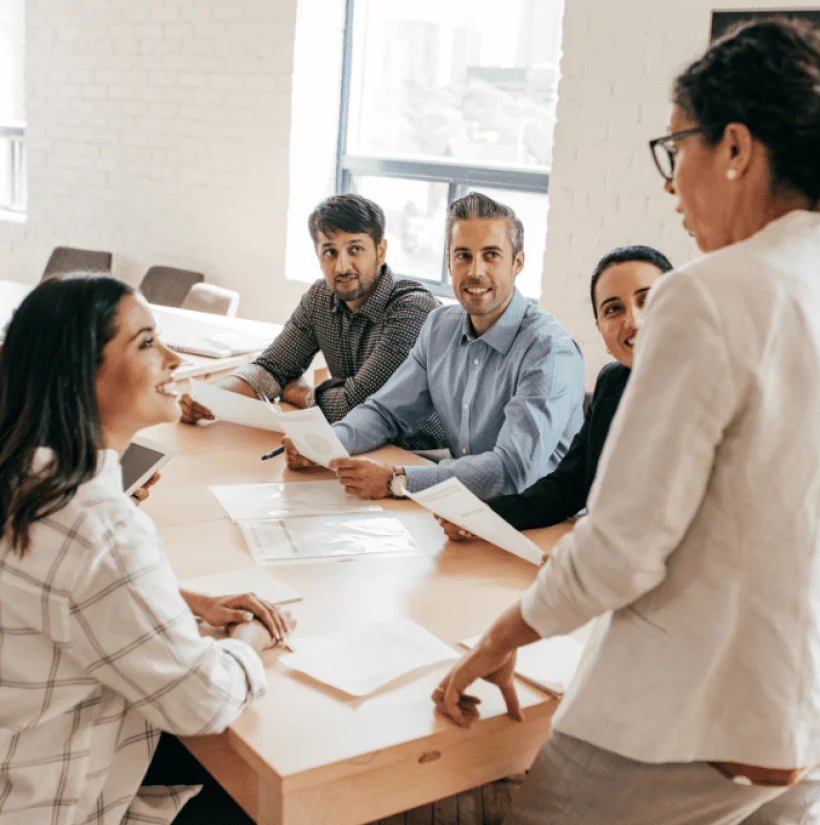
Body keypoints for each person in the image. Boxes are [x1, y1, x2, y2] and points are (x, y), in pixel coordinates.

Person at [434, 19, 820, 825]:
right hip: (799, 726)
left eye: (678, 148)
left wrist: (501, 635)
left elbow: (623, 543)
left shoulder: (710, 295)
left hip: (677, 721)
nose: (673, 186)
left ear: (737, 148)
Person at [0, 275, 293, 825]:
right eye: (146, 343)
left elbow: (58, 590)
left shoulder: (22, 476)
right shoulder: (98, 525)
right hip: (44, 800)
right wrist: (250, 641)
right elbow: (203, 701)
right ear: (80, 373)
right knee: (264, 780)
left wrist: (181, 601)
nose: (174, 357)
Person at [283, 192, 585, 501]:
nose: (475, 271)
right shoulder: (440, 326)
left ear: (517, 263)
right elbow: (386, 412)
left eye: (491, 255)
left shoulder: (550, 351)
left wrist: (397, 481)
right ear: (450, 263)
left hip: (540, 520)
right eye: (463, 255)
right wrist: (324, 444)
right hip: (465, 509)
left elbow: (513, 470)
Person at [439, 245, 672, 540]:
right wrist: (484, 516)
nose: (634, 322)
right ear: (600, 330)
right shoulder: (614, 383)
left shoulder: (719, 389)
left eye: (648, 300)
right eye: (613, 309)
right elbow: (567, 487)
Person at [179, 193, 445, 451]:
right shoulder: (321, 297)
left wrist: (301, 393)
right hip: (355, 445)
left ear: (380, 251)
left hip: (422, 454)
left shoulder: (412, 309)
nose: (342, 266)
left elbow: (357, 408)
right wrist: (210, 398)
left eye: (355, 249)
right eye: (330, 252)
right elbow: (271, 368)